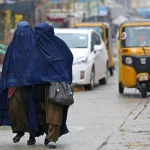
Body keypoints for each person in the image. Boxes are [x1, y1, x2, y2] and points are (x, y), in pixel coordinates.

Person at [26, 22, 73, 148]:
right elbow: (30, 64)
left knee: (55, 111)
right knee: (41, 112)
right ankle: (48, 134)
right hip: (39, 84)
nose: (37, 35)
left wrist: (59, 74)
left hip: (56, 84)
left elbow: (67, 58)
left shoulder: (59, 46)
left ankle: (52, 138)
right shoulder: (34, 47)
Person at [0, 21, 43, 145]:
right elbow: (7, 65)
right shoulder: (13, 47)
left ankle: (32, 136)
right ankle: (20, 131)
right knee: (16, 110)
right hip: (16, 85)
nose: (22, 33)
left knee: (32, 111)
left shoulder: (36, 46)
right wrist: (7, 81)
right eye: (19, 30)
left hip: (32, 85)